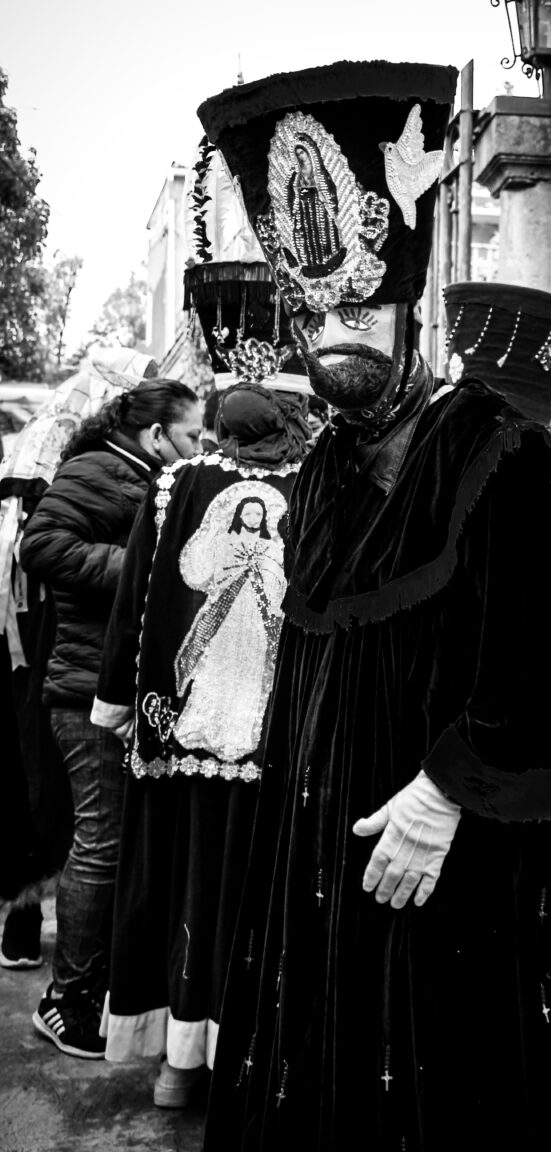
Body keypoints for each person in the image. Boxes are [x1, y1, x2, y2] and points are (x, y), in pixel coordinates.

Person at [197, 62, 551, 1150]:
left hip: (460, 882)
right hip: (317, 869)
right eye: (316, 308)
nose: (336, 330)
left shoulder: (499, 447)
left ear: (409, 298)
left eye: (361, 302)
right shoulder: (322, 473)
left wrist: (448, 792)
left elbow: (541, 666)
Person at [92, 273, 312, 1107]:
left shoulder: (174, 484)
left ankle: (180, 1065)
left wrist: (116, 700)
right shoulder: (314, 485)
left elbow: (133, 602)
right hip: (272, 734)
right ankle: (243, 1062)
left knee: (185, 876)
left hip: (179, 732)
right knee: (255, 886)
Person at [18, 379, 201, 1059]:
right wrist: (142, 569)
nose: (198, 447)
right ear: (157, 435)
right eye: (190, 436)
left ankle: (94, 985)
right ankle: (64, 999)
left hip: (113, 684)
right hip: (86, 689)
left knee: (113, 841)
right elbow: (39, 546)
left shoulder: (141, 474)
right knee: (98, 843)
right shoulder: (98, 468)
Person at [0, 349, 159, 970]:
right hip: (44, 636)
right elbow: (39, 550)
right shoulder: (77, 464)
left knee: (48, 782)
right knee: (57, 790)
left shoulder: (47, 447)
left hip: (38, 634)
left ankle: (28, 921)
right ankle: (52, 951)